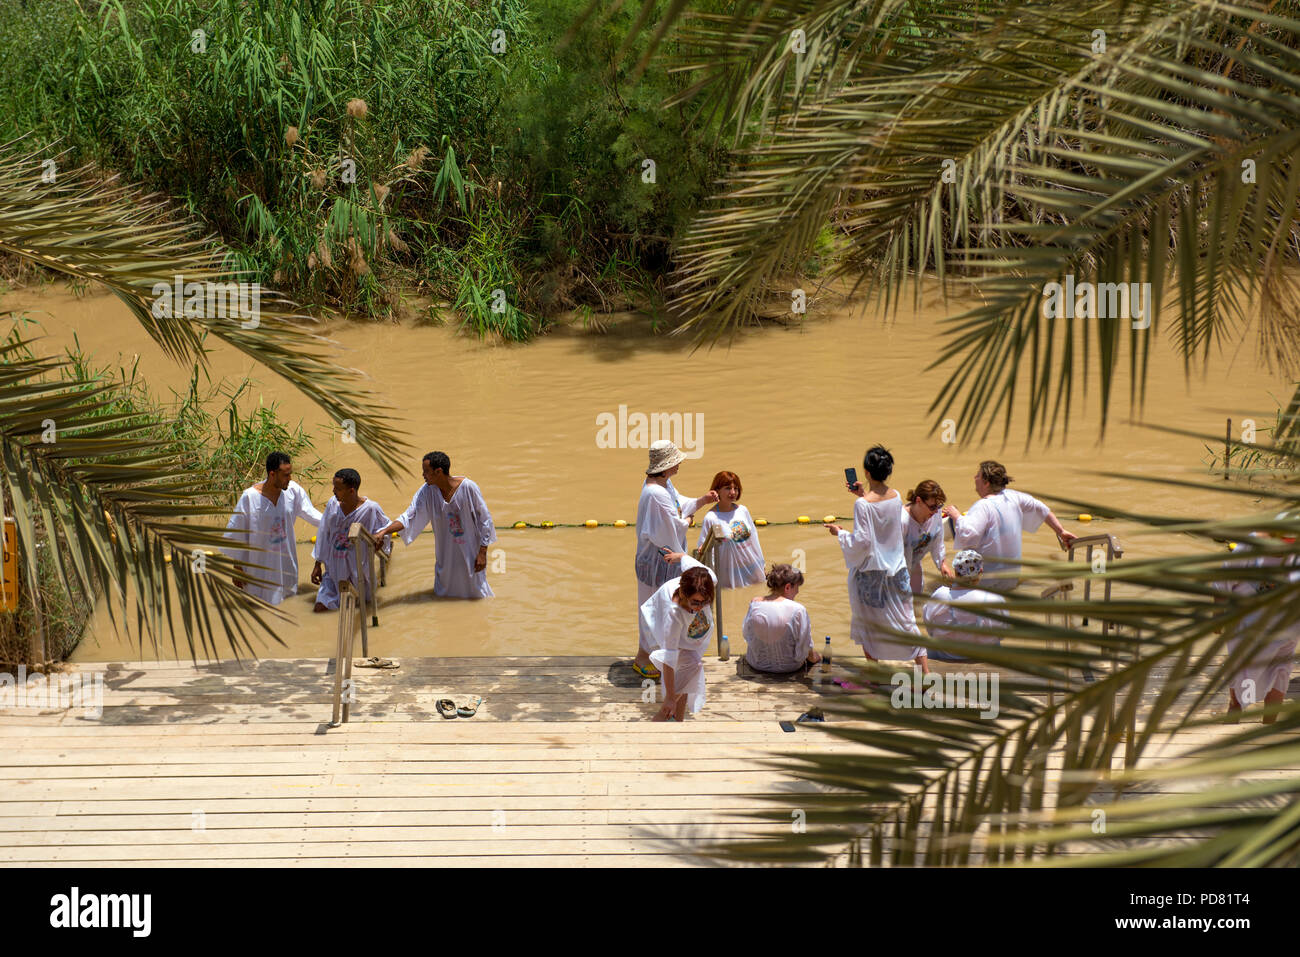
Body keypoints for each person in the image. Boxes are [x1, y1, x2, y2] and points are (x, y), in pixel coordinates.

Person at [825, 445, 928, 671]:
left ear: (867, 473)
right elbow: (888, 525)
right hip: (897, 571)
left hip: (872, 575)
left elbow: (862, 542)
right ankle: (925, 675)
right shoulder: (896, 496)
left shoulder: (862, 505)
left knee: (869, 623)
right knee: (907, 623)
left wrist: (840, 534)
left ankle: (875, 674)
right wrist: (863, 494)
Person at [632, 440, 718, 679]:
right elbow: (673, 526)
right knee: (652, 606)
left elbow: (679, 504)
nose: (680, 464)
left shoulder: (662, 484)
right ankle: (643, 656)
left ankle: (659, 652)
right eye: (676, 461)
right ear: (667, 465)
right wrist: (689, 522)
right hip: (657, 561)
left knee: (663, 606)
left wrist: (700, 501)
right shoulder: (656, 494)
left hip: (662, 558)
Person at [942, 461, 1077, 593]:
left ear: (986, 482)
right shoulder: (1014, 497)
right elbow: (1042, 509)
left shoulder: (982, 506)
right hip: (1010, 578)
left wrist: (957, 516)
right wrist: (1061, 531)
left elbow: (969, 533)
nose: (974, 478)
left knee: (946, 591)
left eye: (978, 475)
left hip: (985, 580)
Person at [376, 451, 496, 598]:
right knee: (444, 593)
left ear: (438, 471)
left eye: (426, 471)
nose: (423, 475)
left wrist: (483, 552)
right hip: (445, 555)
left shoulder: (468, 488)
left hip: (470, 552)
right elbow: (408, 516)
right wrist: (384, 531)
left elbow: (485, 519)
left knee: (477, 594)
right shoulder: (427, 491)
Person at [1214, 531, 1300, 724]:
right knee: (1245, 670)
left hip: (1284, 627)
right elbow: (1223, 581)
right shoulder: (1249, 546)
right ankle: (1237, 709)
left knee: (1279, 671)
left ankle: (1267, 722)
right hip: (1245, 628)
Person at [224, 451, 323, 605]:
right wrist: (237, 567)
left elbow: (313, 515)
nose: (290, 479)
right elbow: (238, 533)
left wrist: (342, 523)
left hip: (286, 564)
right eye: (285, 475)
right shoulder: (249, 497)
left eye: (290, 474)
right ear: (272, 474)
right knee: (258, 607)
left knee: (288, 605)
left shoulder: (293, 491)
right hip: (258, 567)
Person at [641, 551, 718, 720]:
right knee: (691, 666)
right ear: (683, 594)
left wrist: (679, 556)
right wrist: (669, 697)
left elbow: (691, 564)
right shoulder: (673, 614)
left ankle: (678, 719)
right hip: (666, 628)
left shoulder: (709, 578)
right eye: (695, 602)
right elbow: (670, 658)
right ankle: (662, 716)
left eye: (705, 602)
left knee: (687, 674)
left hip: (693, 636)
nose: (700, 607)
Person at [310, 468, 392, 612]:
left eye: (338, 488)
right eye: (334, 487)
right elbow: (323, 532)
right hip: (333, 568)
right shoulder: (332, 504)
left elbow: (386, 528)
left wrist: (380, 540)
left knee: (360, 606)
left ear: (351, 491)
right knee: (319, 608)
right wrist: (318, 564)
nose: (334, 491)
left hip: (358, 570)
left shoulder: (370, 509)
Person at [922, 550, 1006, 662]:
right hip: (983, 657)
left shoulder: (940, 595)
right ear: (980, 571)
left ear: (955, 571)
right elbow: (1002, 634)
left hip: (944, 656)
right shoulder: (994, 599)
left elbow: (929, 628)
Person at [741, 563, 820, 674]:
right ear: (788, 587)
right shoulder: (798, 609)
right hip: (790, 667)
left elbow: (746, 634)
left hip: (756, 664)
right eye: (797, 588)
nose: (797, 592)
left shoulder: (755, 603)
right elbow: (805, 646)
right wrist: (816, 657)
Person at [696, 470, 765, 589]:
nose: (733, 492)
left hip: (751, 569)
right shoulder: (711, 518)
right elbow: (706, 551)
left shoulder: (742, 510)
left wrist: (761, 564)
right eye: (728, 488)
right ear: (717, 490)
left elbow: (754, 538)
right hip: (728, 576)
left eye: (736, 488)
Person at [902, 479, 954, 595]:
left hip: (914, 564)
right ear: (919, 500)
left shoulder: (935, 513)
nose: (936, 511)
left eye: (938, 506)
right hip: (896, 572)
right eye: (932, 507)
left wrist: (942, 563)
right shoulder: (902, 521)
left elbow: (937, 539)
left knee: (916, 603)